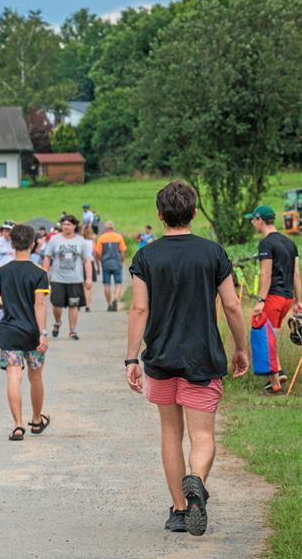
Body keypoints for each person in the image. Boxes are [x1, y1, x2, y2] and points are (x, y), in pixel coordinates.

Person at [126, 181, 249, 536]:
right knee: (203, 435)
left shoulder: (146, 257)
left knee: (170, 432)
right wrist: (240, 349)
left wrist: (131, 359)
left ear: (160, 215)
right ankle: (196, 482)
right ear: (194, 212)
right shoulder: (212, 253)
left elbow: (138, 309)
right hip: (203, 357)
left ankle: (180, 509)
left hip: (162, 357)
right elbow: (232, 304)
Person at [0, 224, 50, 441]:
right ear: (33, 244)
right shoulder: (39, 273)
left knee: (14, 376)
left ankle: (17, 425)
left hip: (10, 332)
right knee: (36, 376)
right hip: (32, 332)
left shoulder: (1, 273)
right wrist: (43, 333)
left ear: (11, 244)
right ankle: (35, 420)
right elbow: (39, 304)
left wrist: (7, 302)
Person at [246, 205, 302, 395]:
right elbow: (296, 274)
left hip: (273, 296)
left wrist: (261, 300)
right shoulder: (290, 243)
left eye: (253, 220)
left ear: (260, 220)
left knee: (261, 334)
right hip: (287, 298)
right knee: (271, 336)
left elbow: (266, 274)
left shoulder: (266, 244)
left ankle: (275, 384)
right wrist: (298, 301)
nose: (253, 223)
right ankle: (278, 373)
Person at [42, 214, 93, 340]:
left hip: (75, 279)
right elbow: (47, 257)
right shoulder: (54, 239)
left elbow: (87, 260)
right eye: (64, 224)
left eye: (68, 224)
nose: (66, 226)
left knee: (74, 305)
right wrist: (44, 274)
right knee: (57, 305)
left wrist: (89, 278)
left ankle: (72, 331)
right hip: (58, 279)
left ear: (74, 226)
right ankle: (57, 322)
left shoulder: (81, 241)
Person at [94, 221, 128, 311]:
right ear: (113, 228)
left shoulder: (101, 238)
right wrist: (122, 261)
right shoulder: (118, 237)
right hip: (117, 262)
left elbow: (99, 252)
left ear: (105, 228)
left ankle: (109, 304)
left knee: (106, 284)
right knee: (118, 283)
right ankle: (116, 298)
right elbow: (123, 250)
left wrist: (101, 260)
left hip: (106, 263)